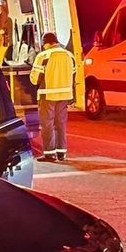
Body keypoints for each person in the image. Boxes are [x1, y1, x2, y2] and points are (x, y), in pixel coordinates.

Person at [30, 32, 77, 161]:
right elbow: (74, 75)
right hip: (65, 95)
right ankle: (61, 152)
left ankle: (49, 153)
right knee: (60, 123)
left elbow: (34, 79)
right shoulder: (69, 55)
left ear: (46, 43)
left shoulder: (43, 56)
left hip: (47, 95)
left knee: (47, 124)